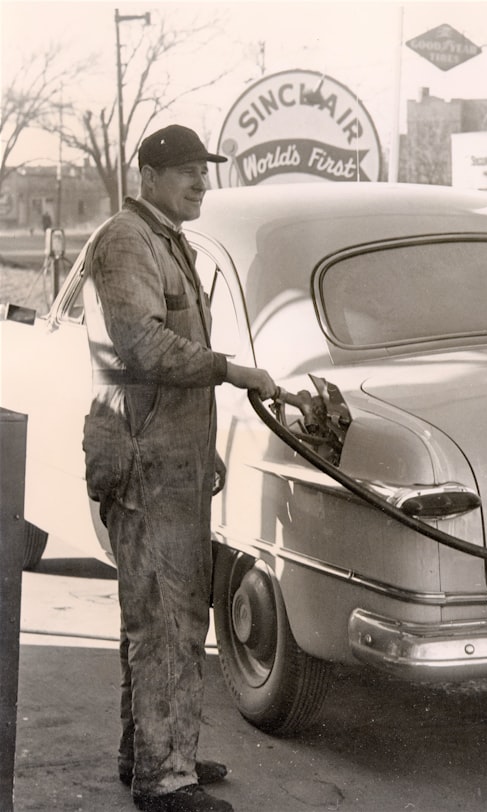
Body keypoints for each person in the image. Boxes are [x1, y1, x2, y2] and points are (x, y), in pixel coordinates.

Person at [81, 124, 276, 812]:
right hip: (146, 463)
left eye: (204, 170)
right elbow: (142, 344)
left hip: (175, 456)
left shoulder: (165, 241)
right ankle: (166, 782)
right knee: (163, 618)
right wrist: (231, 370)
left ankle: (154, 753)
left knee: (169, 613)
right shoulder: (128, 241)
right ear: (149, 175)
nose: (201, 182)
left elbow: (173, 354)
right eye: (186, 171)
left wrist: (207, 448)